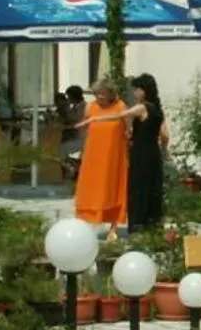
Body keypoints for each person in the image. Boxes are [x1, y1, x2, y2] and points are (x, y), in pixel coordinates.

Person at [71, 79, 130, 226]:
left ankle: (113, 224)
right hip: (93, 155)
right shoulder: (91, 107)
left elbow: (129, 130)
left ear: (111, 93)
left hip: (113, 156)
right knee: (91, 187)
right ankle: (86, 221)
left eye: (102, 94)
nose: (99, 97)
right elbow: (84, 126)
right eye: (97, 94)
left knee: (112, 188)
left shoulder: (121, 106)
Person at [120, 73, 168, 233]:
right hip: (153, 152)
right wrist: (164, 151)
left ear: (144, 90)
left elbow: (121, 115)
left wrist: (94, 119)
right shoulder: (158, 110)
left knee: (138, 187)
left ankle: (138, 224)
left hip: (140, 152)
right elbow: (165, 135)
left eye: (136, 89)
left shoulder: (142, 107)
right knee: (153, 187)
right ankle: (152, 223)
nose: (134, 93)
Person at [56, 85, 87, 179]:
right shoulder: (76, 106)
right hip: (76, 135)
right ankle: (75, 167)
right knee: (62, 150)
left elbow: (73, 118)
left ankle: (74, 169)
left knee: (61, 151)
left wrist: (65, 107)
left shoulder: (83, 106)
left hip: (81, 137)